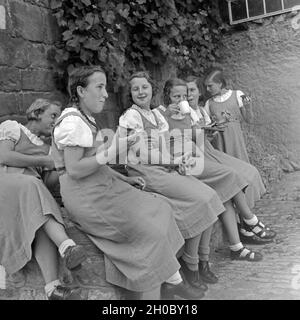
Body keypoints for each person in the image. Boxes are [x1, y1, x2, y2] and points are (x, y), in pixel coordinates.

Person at [51, 65, 204, 301]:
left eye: (105, 88)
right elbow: (75, 169)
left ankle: (172, 281)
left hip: (101, 183)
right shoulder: (71, 122)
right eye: (99, 87)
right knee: (149, 231)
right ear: (81, 91)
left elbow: (95, 162)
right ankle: (149, 292)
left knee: (161, 209)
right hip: (87, 196)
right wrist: (114, 149)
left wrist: (125, 178)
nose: (105, 94)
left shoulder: (85, 118)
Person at [155, 77, 276, 262]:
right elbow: (161, 141)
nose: (180, 100)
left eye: (183, 96)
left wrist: (205, 132)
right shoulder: (159, 114)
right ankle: (250, 221)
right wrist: (168, 117)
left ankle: (236, 247)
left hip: (197, 154)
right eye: (175, 96)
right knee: (230, 176)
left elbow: (193, 136)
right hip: (182, 162)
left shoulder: (186, 113)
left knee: (225, 195)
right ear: (166, 95)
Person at [0, 98, 87, 300]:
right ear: (37, 113)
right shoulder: (12, 128)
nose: (56, 122)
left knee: (41, 219)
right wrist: (44, 160)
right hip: (4, 185)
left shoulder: (49, 149)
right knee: (31, 184)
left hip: (26, 197)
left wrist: (61, 162)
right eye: (53, 115)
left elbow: (46, 185)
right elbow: (3, 157)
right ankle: (67, 246)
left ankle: (53, 289)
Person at [185, 75, 275, 244]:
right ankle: (247, 225)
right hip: (205, 153)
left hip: (216, 148)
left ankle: (246, 224)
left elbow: (247, 118)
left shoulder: (203, 110)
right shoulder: (191, 110)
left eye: (192, 90)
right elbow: (185, 139)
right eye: (186, 91)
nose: (189, 95)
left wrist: (210, 132)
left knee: (248, 173)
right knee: (230, 183)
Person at [203, 67, 252, 163]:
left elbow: (249, 120)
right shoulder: (209, 104)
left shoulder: (237, 95)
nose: (207, 89)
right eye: (206, 87)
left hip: (236, 142)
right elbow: (207, 127)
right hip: (220, 145)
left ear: (220, 84)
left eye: (210, 86)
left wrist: (248, 108)